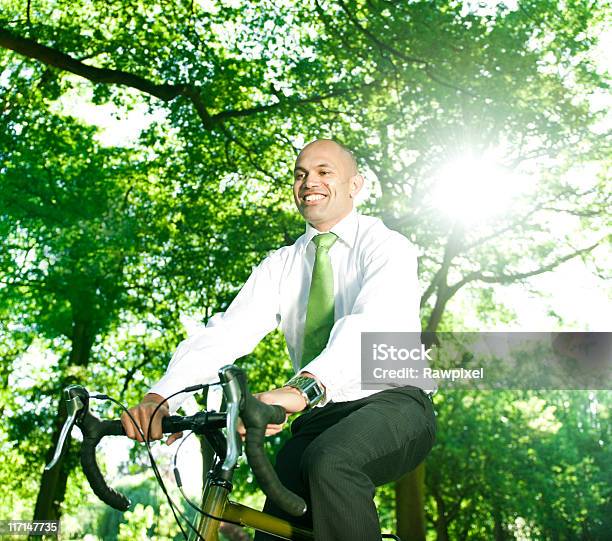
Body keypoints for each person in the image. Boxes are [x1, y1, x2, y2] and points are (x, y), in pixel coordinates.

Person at [121, 139, 437, 540]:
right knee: (276, 524)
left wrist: (300, 389)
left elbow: (372, 324)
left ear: (355, 186)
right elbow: (225, 334)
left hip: (395, 403)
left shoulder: (387, 247)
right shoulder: (280, 266)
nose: (310, 182)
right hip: (320, 418)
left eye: (325, 172)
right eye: (301, 174)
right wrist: (162, 397)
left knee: (331, 462)